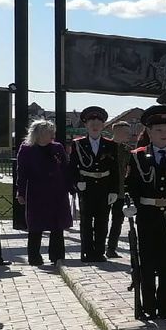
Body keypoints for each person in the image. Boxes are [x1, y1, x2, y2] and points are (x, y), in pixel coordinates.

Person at [125, 105, 166, 320]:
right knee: (147, 262)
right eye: (159, 131)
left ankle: (164, 307)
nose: (164, 135)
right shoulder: (137, 156)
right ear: (150, 133)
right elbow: (130, 185)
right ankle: (148, 306)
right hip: (147, 214)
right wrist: (129, 203)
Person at [67, 106, 123, 262]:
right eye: (91, 121)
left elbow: (114, 169)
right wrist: (77, 182)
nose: (95, 124)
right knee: (86, 221)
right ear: (85, 124)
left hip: (104, 187)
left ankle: (99, 252)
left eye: (98, 121)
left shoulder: (111, 145)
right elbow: (72, 167)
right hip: (87, 186)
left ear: (103, 124)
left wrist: (114, 190)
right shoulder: (78, 144)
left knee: (102, 221)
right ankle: (86, 252)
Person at [15, 119, 72, 267]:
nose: (52, 135)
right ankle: (34, 257)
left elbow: (65, 168)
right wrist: (20, 192)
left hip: (57, 192)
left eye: (52, 132)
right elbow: (21, 172)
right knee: (36, 226)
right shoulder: (26, 149)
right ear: (38, 133)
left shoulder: (57, 147)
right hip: (36, 192)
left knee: (57, 225)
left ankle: (57, 256)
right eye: (48, 132)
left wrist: (70, 187)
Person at [106, 120, 132, 258]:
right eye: (126, 132)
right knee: (102, 220)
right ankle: (97, 246)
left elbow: (129, 170)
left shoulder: (127, 150)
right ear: (115, 131)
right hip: (105, 190)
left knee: (117, 221)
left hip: (121, 191)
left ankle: (111, 248)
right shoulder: (105, 147)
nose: (129, 134)